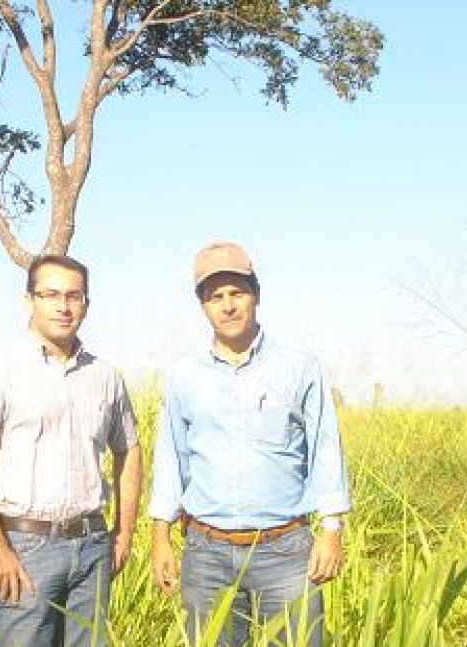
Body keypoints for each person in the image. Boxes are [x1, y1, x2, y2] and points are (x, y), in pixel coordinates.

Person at [148, 241, 351, 647]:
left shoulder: (298, 366)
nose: (227, 305)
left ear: (256, 294)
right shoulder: (185, 374)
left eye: (237, 292)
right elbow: (171, 456)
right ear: (203, 306)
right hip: (207, 552)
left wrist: (331, 529)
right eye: (215, 296)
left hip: (286, 551)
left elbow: (325, 447)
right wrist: (160, 536)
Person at [0, 254, 142, 647]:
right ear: (29, 300)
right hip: (25, 549)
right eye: (50, 294)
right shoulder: (0, 371)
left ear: (86, 303)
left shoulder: (105, 377)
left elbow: (130, 450)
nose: (63, 306)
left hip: (92, 547)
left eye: (74, 296)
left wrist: (124, 533)